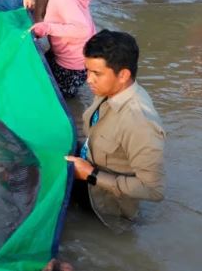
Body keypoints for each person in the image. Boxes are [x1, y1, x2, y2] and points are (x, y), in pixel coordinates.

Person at [66, 30, 165, 232]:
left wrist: (91, 175)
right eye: (87, 71)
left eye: (96, 73)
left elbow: (154, 190)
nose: (88, 80)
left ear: (123, 75)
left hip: (103, 202)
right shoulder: (109, 90)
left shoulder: (139, 122)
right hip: (88, 166)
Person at [30, 0, 95, 98]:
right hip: (77, 54)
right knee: (39, 76)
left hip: (73, 64)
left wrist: (47, 28)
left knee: (54, 99)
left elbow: (82, 29)